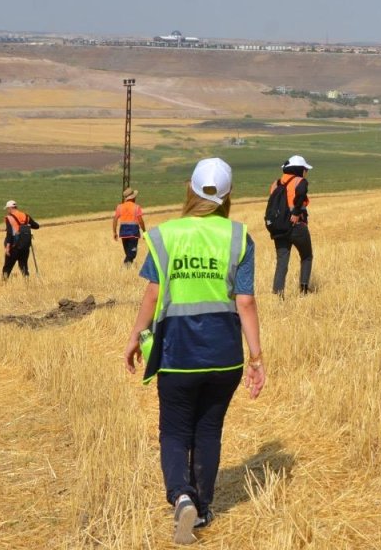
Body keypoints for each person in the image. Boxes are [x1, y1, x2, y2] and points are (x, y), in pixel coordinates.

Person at [124, 157, 266, 545]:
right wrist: (256, 358)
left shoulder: (165, 235)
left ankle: (181, 496)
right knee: (208, 430)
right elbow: (246, 302)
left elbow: (152, 293)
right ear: (227, 196)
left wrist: (136, 336)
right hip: (224, 357)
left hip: (176, 354)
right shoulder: (238, 237)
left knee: (173, 430)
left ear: (189, 189)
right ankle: (201, 509)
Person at [270, 155, 313, 296]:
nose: (306, 172)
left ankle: (277, 295)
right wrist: (295, 212)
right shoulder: (300, 181)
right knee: (306, 256)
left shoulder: (275, 183)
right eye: (305, 169)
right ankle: (304, 290)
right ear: (300, 169)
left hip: (279, 228)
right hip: (296, 226)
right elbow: (301, 194)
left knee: (282, 261)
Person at [1, 200, 39, 280]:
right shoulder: (25, 216)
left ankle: (3, 285)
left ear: (11, 208)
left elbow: (9, 234)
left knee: (7, 267)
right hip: (25, 246)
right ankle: (27, 283)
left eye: (8, 209)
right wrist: (26, 226)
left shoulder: (9, 218)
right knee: (24, 266)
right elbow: (36, 226)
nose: (8, 211)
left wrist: (7, 248)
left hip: (14, 247)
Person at [112, 187, 147, 267]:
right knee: (132, 254)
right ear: (133, 197)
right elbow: (140, 221)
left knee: (128, 253)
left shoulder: (119, 207)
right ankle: (124, 268)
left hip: (123, 233)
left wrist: (114, 232)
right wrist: (144, 231)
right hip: (133, 233)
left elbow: (115, 219)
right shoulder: (136, 207)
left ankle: (127, 270)